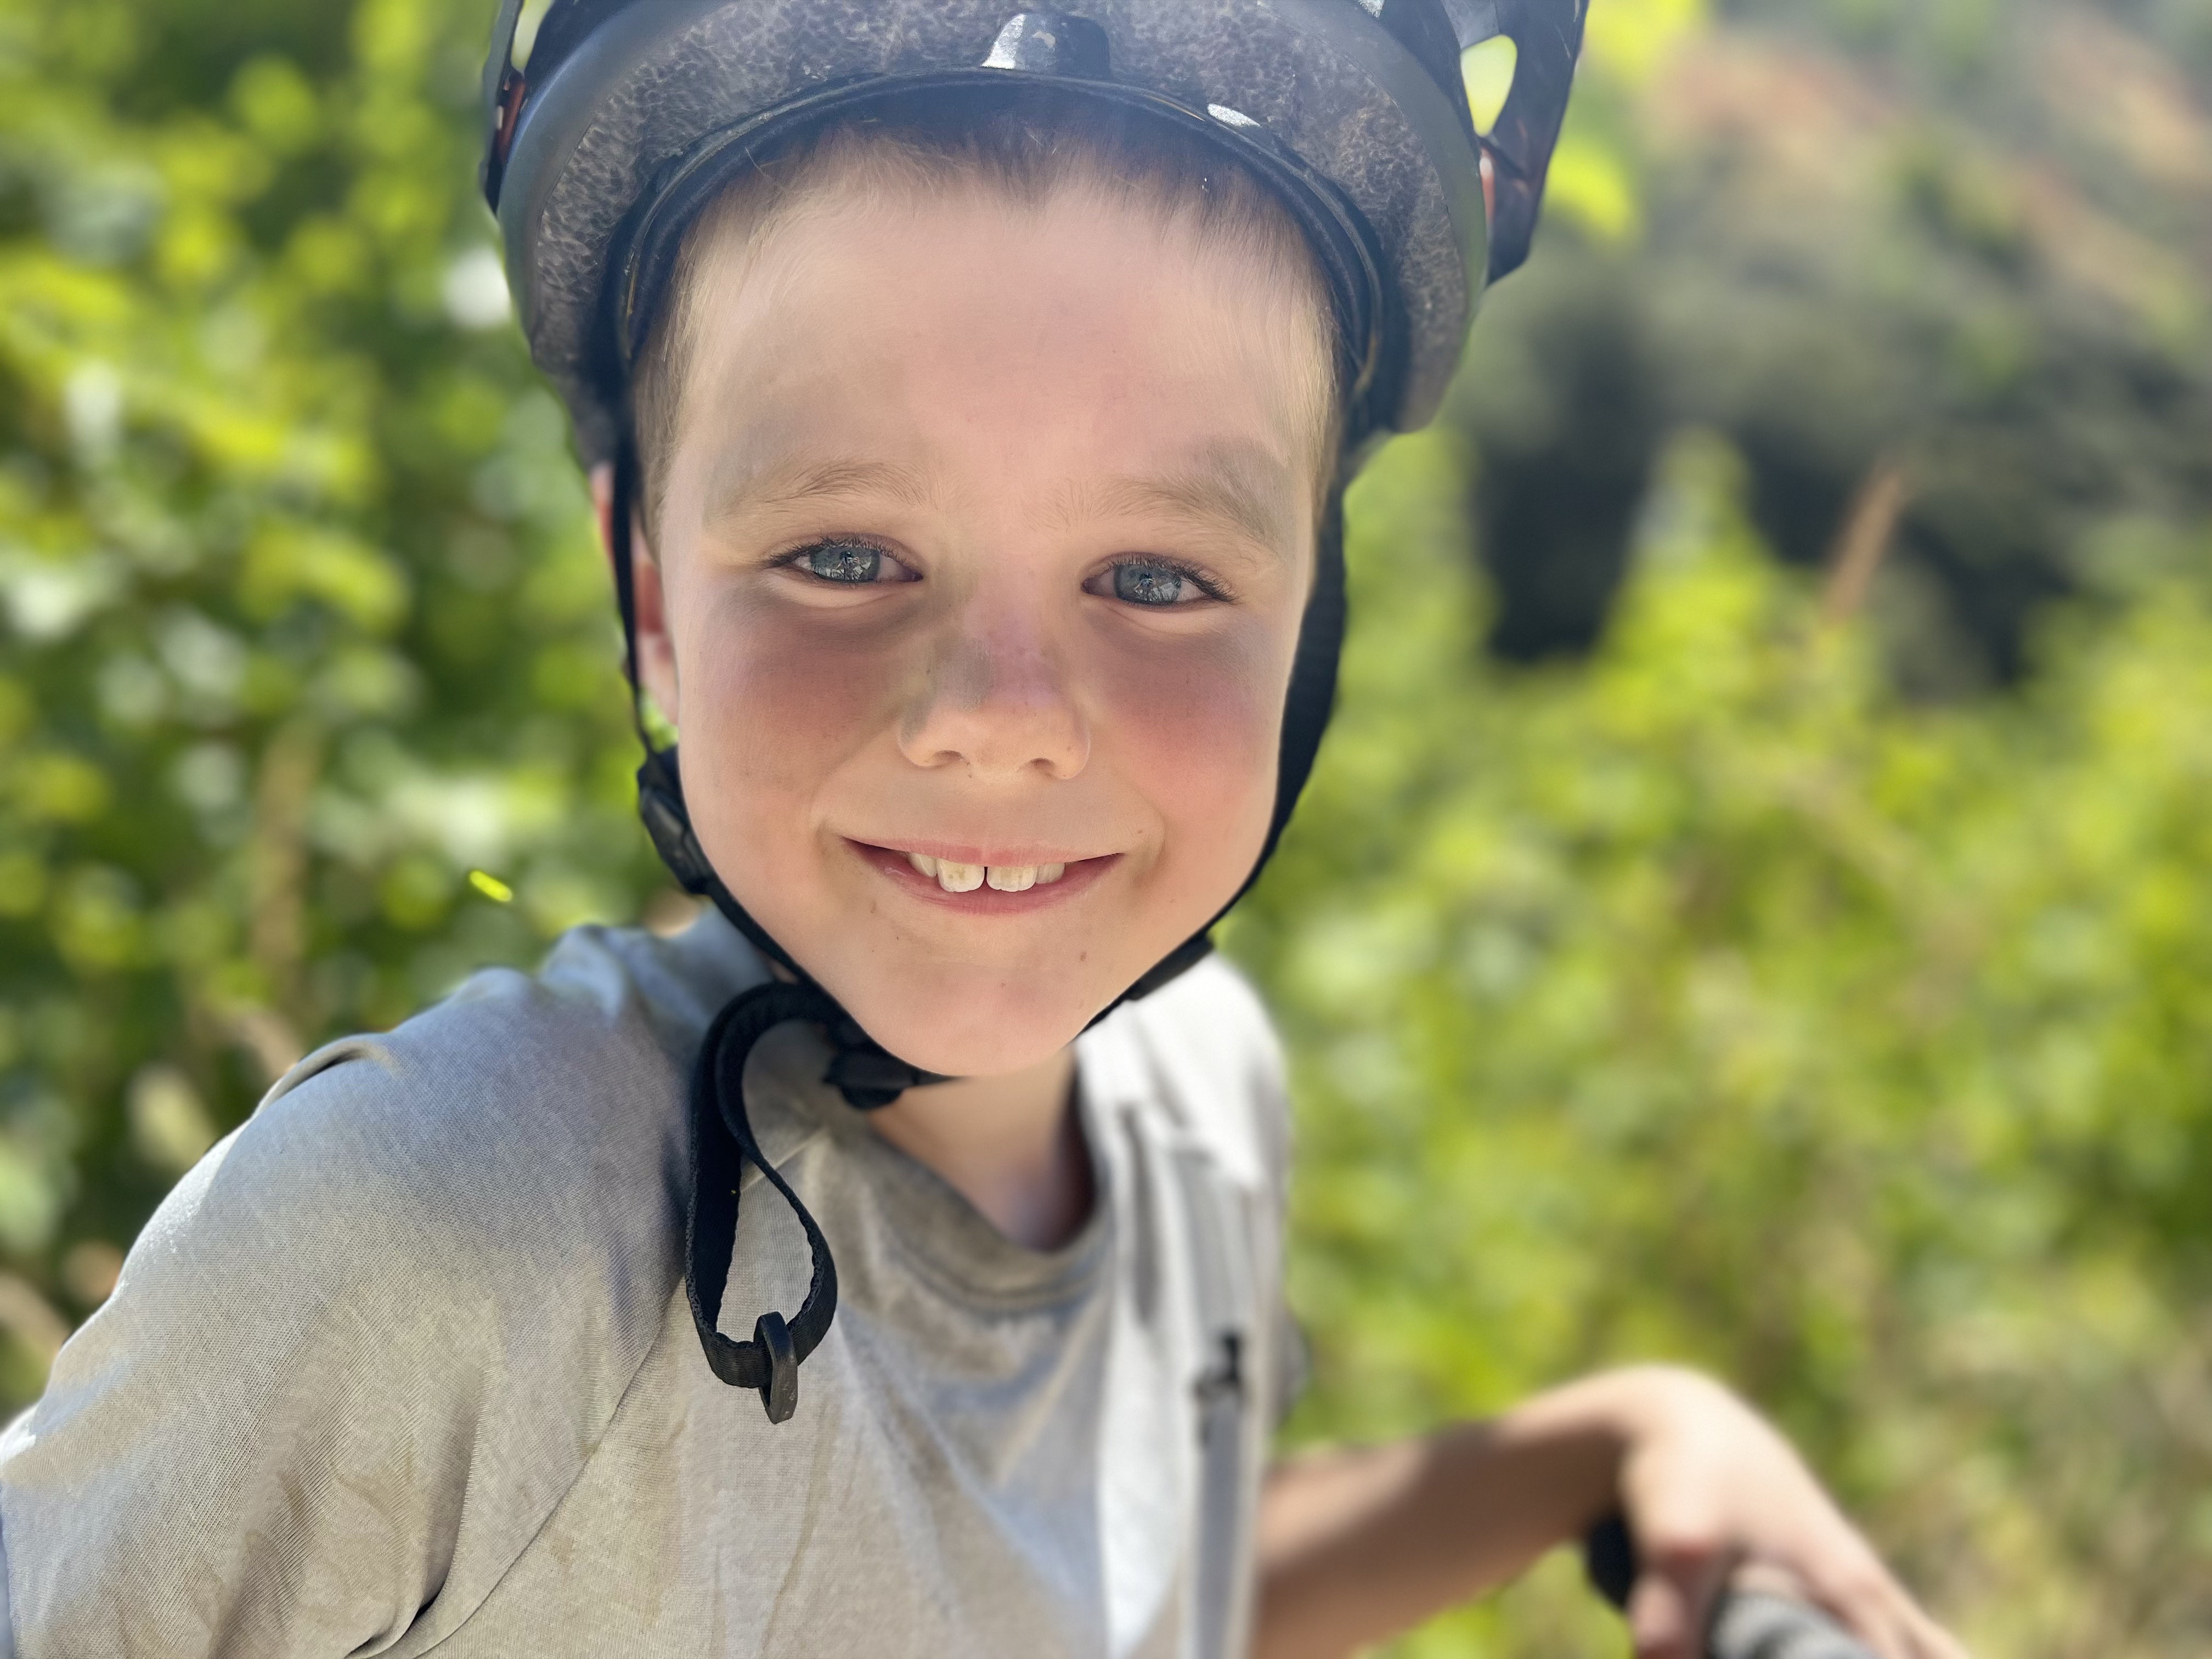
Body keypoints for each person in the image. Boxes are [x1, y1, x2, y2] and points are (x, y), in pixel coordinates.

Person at [0, 4, 1967, 1657]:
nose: (1000, 720)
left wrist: (1606, 1440)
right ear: (655, 595)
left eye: (1160, 577)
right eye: (846, 554)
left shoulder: (1196, 1113)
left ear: (1313, 624)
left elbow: (1110, 1591)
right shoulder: (427, 1254)